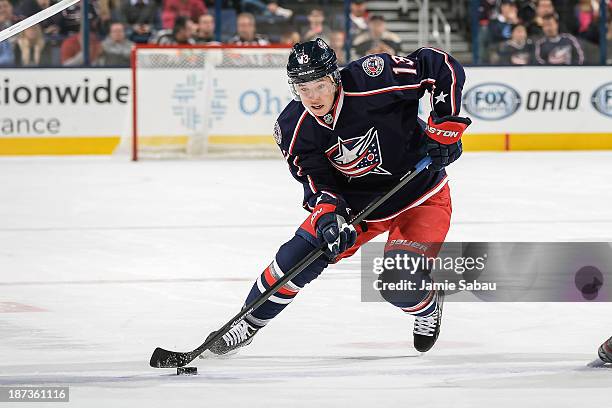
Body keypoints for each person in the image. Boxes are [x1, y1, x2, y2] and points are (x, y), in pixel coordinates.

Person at [200, 38, 470, 357]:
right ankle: (247, 323)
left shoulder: (375, 78)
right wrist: (329, 216)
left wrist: (444, 126)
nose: (313, 97)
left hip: (420, 194)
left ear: (335, 78)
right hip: (359, 207)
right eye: (303, 88)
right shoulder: (293, 128)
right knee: (295, 258)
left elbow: (435, 64)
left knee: (399, 284)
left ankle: (427, 309)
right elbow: (316, 181)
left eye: (319, 85)